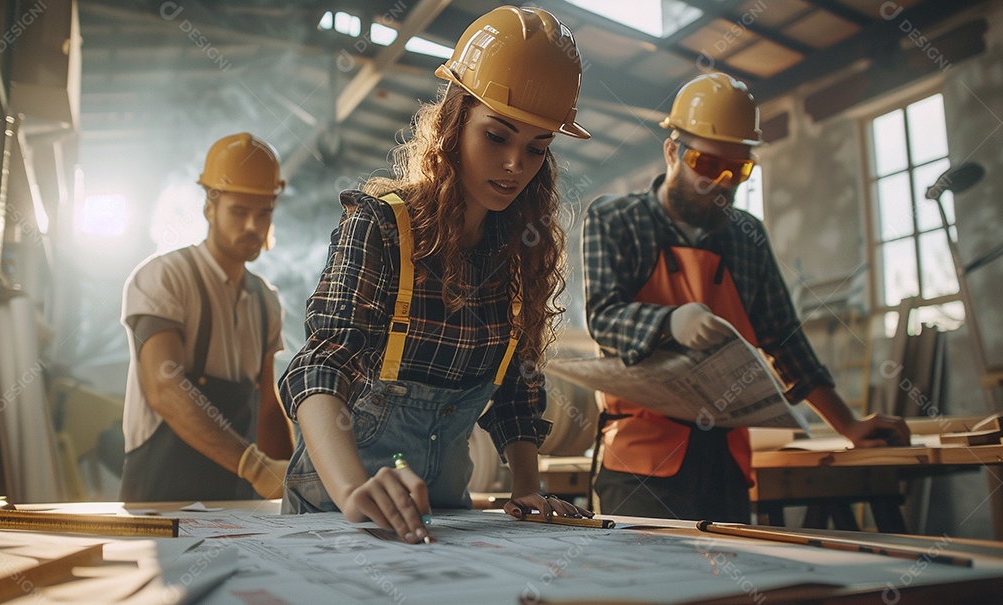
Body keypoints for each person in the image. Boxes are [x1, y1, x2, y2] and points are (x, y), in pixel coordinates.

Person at [279, 6, 592, 543]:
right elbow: (320, 368)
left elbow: (517, 389)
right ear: (454, 122)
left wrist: (526, 489)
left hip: (444, 515)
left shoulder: (518, 254)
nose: (517, 164)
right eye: (498, 136)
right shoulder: (381, 226)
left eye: (537, 148)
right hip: (338, 511)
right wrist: (353, 492)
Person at [581, 73, 911, 523]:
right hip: (641, 460)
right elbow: (603, 317)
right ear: (672, 151)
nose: (721, 183)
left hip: (725, 461)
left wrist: (848, 425)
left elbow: (786, 340)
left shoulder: (746, 237)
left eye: (737, 170)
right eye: (706, 163)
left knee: (729, 587)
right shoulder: (615, 219)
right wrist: (670, 323)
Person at [120, 132, 293, 501]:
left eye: (263, 213)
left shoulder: (267, 302)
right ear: (209, 207)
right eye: (239, 211)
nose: (252, 226)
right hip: (160, 505)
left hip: (236, 509)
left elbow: (266, 407)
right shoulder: (165, 277)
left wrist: (297, 486)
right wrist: (256, 468)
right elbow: (164, 388)